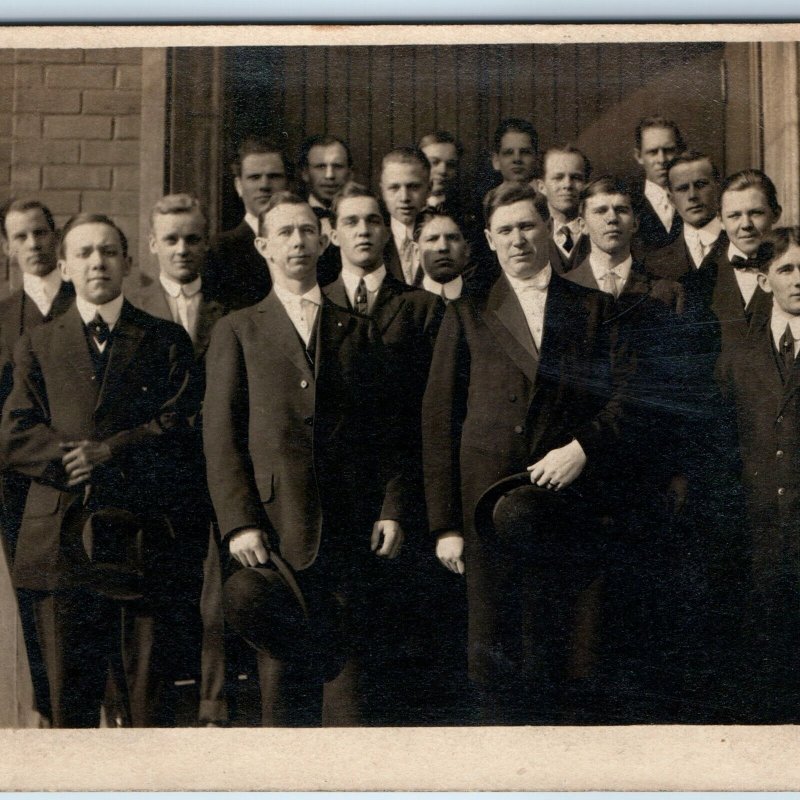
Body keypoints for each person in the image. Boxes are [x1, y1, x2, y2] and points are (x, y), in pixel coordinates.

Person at [422, 184, 630, 724]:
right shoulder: (466, 314)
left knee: (569, 654)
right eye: (506, 230)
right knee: (499, 659)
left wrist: (583, 449)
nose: (518, 239)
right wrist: (446, 524)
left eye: (528, 226)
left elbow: (626, 400)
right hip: (487, 510)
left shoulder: (594, 309)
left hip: (572, 502)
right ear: (489, 241)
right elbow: (439, 423)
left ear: (552, 230)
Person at [203, 191, 405, 726]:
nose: (297, 241)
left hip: (349, 531)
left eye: (306, 231)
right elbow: (221, 436)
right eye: (285, 233)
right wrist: (240, 523)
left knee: (349, 698)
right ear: (263, 246)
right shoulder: (238, 329)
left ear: (324, 240)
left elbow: (389, 432)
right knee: (282, 695)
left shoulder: (357, 330)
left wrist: (390, 508)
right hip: (275, 534)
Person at [0, 213, 196, 727]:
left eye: (108, 251)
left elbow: (180, 424)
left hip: (141, 540)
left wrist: (111, 452)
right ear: (64, 267)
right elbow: (14, 432)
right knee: (70, 709)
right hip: (60, 545)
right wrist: (72, 457)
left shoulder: (165, 339)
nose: (97, 263)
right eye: (84, 253)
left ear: (129, 263)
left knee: (149, 706)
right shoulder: (38, 344)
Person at [323, 184, 453, 721]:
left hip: (402, 500)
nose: (362, 231)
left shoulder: (423, 309)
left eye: (372, 221)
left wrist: (396, 505)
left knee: (400, 654)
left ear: (388, 232)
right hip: (332, 508)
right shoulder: (314, 304)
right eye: (350, 222)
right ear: (332, 234)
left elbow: (427, 420)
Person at [566, 176, 694, 721]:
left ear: (636, 221)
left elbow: (684, 389)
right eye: (600, 210)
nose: (612, 218)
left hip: (645, 470)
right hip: (583, 471)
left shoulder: (665, 291)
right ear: (582, 223)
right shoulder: (560, 287)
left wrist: (678, 473)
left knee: (641, 611)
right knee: (584, 619)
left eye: (622, 209)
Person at [131, 193, 231, 726]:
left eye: (192, 238)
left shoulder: (232, 307)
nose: (182, 249)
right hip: (152, 477)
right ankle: (153, 711)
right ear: (152, 246)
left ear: (206, 242)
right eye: (170, 239)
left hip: (213, 473)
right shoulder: (130, 308)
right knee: (155, 598)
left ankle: (213, 707)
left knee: (214, 598)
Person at [715, 227, 800, 722]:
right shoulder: (737, 356)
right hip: (753, 538)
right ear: (764, 280)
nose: (798, 280)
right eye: (787, 269)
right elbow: (719, 448)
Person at [206, 136, 290, 310]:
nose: (264, 185)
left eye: (274, 176)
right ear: (238, 186)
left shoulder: (303, 241)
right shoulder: (221, 250)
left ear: (287, 183)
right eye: (254, 177)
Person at [646, 151, 723, 280]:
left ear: (718, 187)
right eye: (682, 188)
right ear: (671, 199)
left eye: (701, 185)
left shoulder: (740, 247)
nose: (692, 196)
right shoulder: (655, 263)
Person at [298, 134, 354, 286]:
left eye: (337, 166)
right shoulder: (294, 216)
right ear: (305, 173)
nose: (330, 175)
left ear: (350, 173)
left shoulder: (365, 217)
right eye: (320, 167)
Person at [631, 116, 686, 252]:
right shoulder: (629, 201)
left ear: (679, 152)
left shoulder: (693, 197)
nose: (661, 159)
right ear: (639, 156)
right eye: (653, 152)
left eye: (668, 151)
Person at [535, 144, 592, 273]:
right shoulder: (533, 236)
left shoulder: (598, 233)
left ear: (587, 185)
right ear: (541, 186)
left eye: (576, 178)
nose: (567, 185)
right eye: (558, 178)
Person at [379, 147, 431, 286]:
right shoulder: (375, 239)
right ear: (383, 191)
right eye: (394, 188)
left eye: (413, 187)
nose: (404, 197)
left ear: (429, 189)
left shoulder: (446, 237)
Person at [413, 207, 475, 302]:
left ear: (466, 248)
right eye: (432, 239)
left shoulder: (488, 304)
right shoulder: (403, 307)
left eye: (452, 238)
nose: (443, 247)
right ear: (416, 251)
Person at [490, 118, 539, 191]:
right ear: (496, 161)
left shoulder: (548, 200)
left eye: (525, 152)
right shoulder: (489, 200)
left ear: (536, 158)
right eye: (508, 153)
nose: (517, 159)